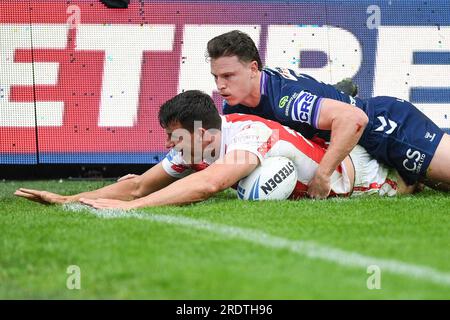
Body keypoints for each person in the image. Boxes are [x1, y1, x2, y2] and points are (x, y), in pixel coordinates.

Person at [15, 91, 411, 210]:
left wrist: (127, 210)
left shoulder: (247, 137)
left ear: (203, 134)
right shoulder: (197, 145)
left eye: (174, 139)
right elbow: (139, 187)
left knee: (419, 185)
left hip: (362, 176)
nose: (169, 147)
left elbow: (206, 185)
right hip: (318, 163)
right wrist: (68, 198)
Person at [206, 30, 450, 199]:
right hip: (358, 149)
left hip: (389, 128)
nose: (220, 85)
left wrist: (323, 175)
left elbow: (355, 119)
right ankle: (341, 92)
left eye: (228, 76)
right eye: (216, 77)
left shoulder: (284, 98)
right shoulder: (236, 105)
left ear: (253, 69)